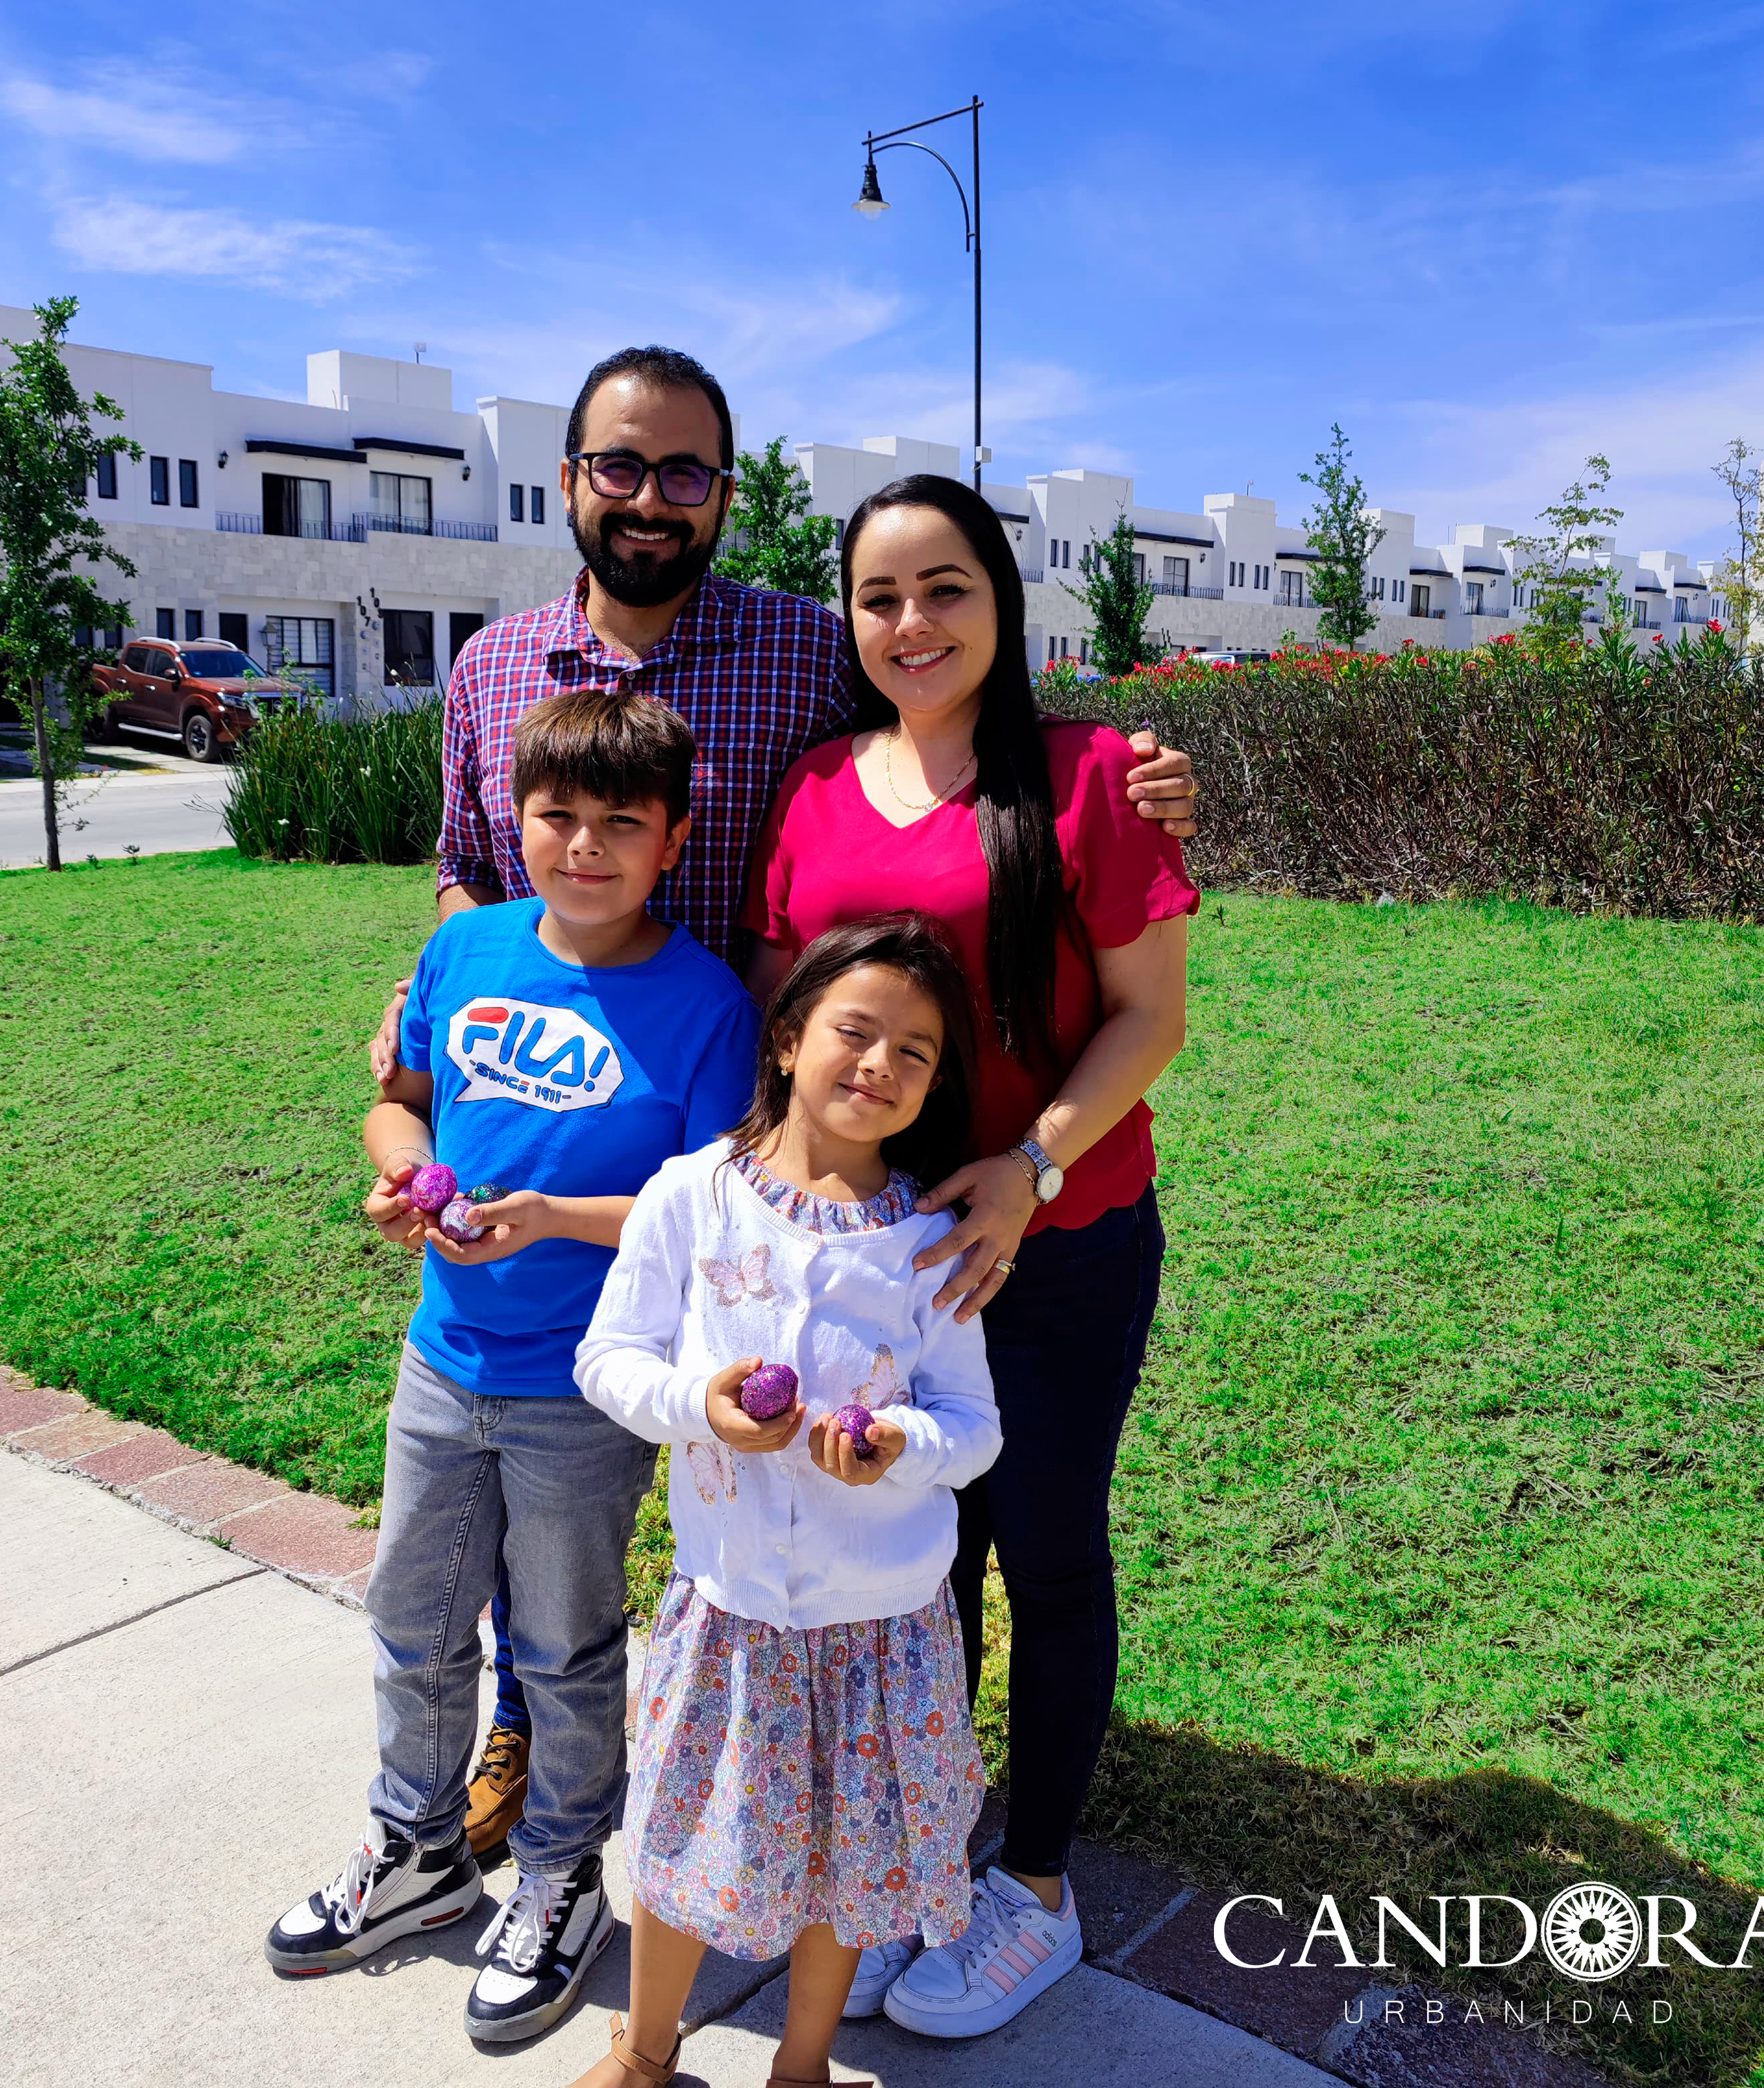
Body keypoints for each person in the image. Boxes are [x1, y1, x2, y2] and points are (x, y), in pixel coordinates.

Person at [366, 343, 1202, 1857]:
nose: (648, 497)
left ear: (724, 497)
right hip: (662, 1146)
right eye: (619, 465)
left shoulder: (808, 660)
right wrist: (428, 989)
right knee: (554, 1454)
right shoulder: (493, 670)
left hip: (866, 1169)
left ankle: (978, 1851)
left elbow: (970, 717)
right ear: (568, 481)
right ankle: (542, 1738)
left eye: (685, 472)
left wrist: (1147, 777)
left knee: (947, 1517)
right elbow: (465, 866)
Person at [745, 472, 1197, 2038]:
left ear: (1001, 601)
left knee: (1047, 1546)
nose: (912, 621)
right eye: (880, 597)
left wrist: (1029, 1165)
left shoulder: (1087, 780)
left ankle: (1040, 1889)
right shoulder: (811, 792)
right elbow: (785, 1017)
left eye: (945, 587)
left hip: (1058, 1242)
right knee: (919, 1568)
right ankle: (927, 1859)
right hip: (881, 1258)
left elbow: (1152, 1016)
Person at [266, 690, 761, 2052]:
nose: (584, 846)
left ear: (671, 840)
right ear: (516, 820)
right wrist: (395, 1179)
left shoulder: (704, 1005)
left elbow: (710, 1205)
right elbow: (397, 1102)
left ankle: (556, 1881)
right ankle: (418, 1854)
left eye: (621, 824)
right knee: (413, 1622)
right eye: (557, 816)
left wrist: (546, 1219)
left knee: (559, 1643)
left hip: (585, 1387)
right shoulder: (468, 947)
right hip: (444, 1356)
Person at [571, 915, 1003, 2088]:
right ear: (785, 1038)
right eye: (855, 1033)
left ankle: (801, 2066)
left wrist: (896, 1442)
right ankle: (647, 2050)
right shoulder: (691, 1197)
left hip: (885, 1627)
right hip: (732, 1611)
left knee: (848, 1863)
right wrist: (699, 1406)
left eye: (915, 1052)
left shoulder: (928, 1239)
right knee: (677, 1848)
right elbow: (607, 1358)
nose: (880, 1065)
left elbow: (975, 1429)